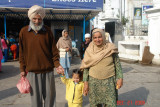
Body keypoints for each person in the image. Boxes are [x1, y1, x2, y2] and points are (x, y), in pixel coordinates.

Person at [19, 5, 64, 107]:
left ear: (42, 18)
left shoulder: (47, 31)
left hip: (48, 71)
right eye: (34, 18)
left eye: (39, 19)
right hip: (32, 72)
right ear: (30, 18)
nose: (37, 21)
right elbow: (21, 52)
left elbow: (54, 51)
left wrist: (57, 65)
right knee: (35, 101)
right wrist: (22, 68)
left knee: (50, 99)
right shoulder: (24, 32)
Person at [80, 28, 123, 107]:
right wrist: (85, 83)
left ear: (103, 37)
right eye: (95, 38)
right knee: (95, 104)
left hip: (109, 82)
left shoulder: (111, 48)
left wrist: (120, 78)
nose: (97, 40)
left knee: (110, 104)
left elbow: (117, 64)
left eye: (99, 37)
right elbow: (86, 68)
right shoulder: (89, 50)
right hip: (94, 83)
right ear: (92, 38)